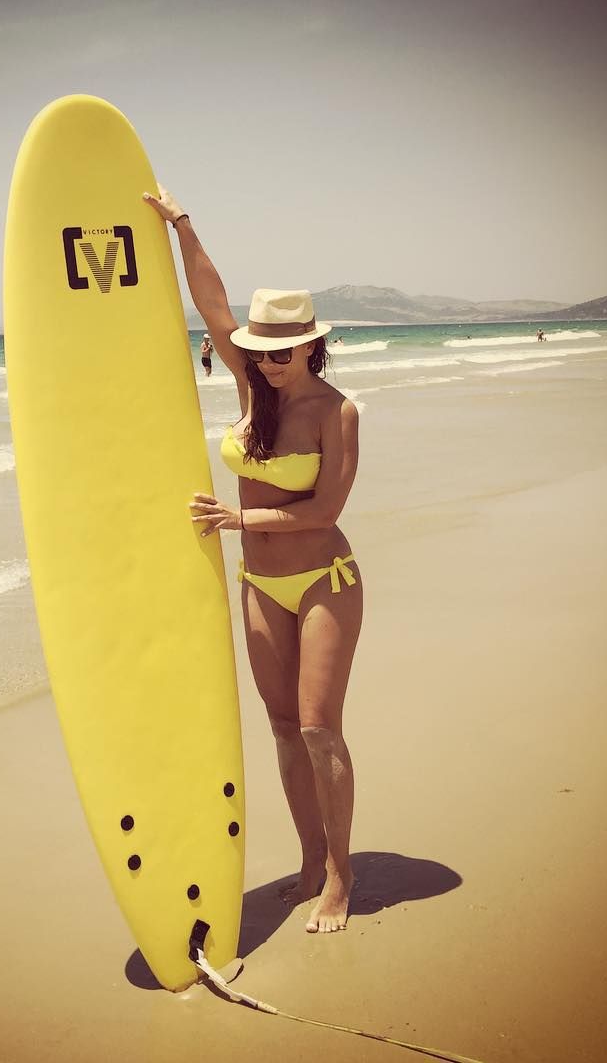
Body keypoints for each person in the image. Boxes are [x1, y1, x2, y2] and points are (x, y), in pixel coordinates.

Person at [144, 185, 363, 934]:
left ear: (311, 345)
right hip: (260, 583)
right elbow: (211, 302)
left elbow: (325, 510)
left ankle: (341, 875)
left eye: (282, 352)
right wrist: (182, 225)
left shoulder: (336, 412)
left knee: (318, 728)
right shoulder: (251, 388)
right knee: (281, 726)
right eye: (260, 351)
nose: (268, 363)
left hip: (324, 580)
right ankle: (310, 856)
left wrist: (238, 518)